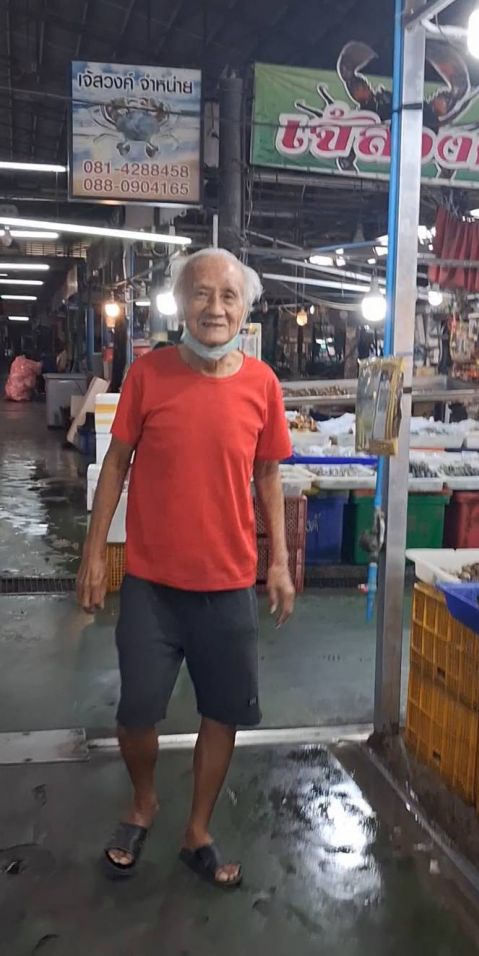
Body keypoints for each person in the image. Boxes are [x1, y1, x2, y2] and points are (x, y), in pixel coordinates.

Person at [77, 248, 295, 887]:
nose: (215, 308)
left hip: (229, 585)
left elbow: (269, 475)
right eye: (201, 294)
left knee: (222, 712)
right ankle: (143, 803)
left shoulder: (263, 384)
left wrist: (279, 562)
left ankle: (197, 829)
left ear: (245, 308)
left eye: (228, 296)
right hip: (152, 585)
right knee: (136, 712)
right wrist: (94, 554)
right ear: (180, 304)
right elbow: (116, 464)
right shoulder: (148, 373)